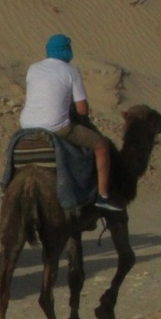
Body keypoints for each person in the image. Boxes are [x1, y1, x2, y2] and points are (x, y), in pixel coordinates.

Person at [19, 33, 123, 212]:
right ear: (66, 50)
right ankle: (103, 196)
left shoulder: (33, 68)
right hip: (56, 127)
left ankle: (7, 183)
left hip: (26, 125)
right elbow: (82, 109)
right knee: (101, 145)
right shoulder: (71, 71)